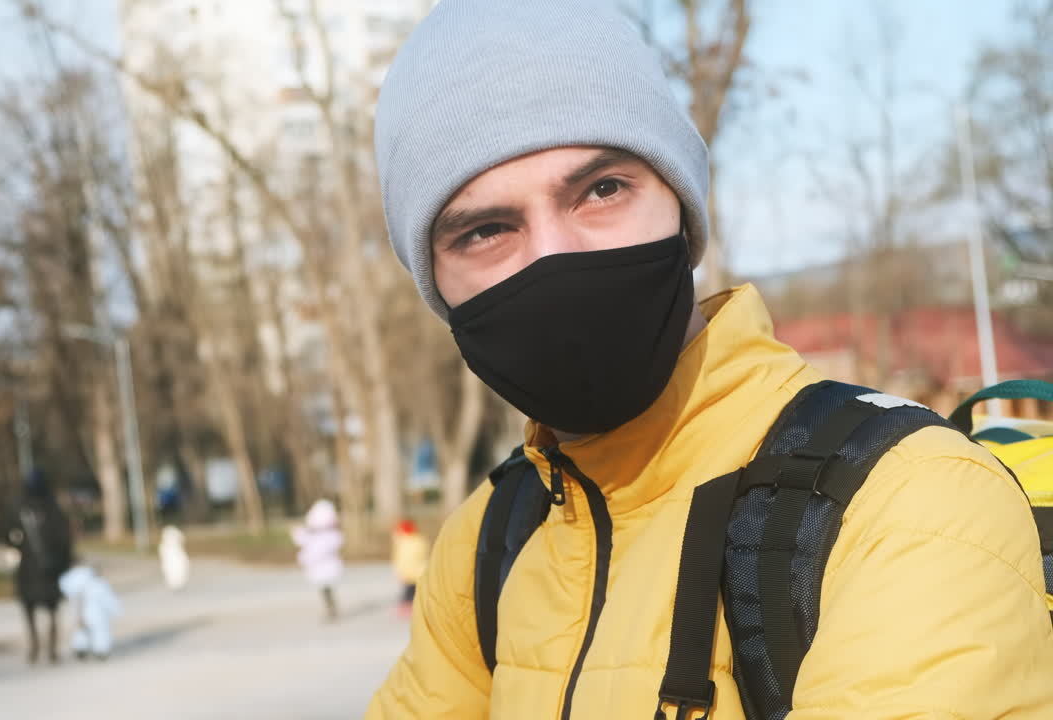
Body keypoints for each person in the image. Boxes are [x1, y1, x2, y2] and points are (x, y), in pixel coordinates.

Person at [365, 1, 1053, 718]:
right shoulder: (487, 542)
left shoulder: (905, 500)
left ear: (683, 206)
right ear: (437, 285)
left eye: (602, 190)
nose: (555, 258)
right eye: (484, 231)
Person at [5, 468, 73, 665]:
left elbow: (62, 538)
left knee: (39, 607)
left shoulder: (25, 507)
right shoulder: (49, 507)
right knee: (44, 607)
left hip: (37, 568)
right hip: (41, 568)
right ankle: (43, 646)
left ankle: (42, 646)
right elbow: (64, 539)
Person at [291, 499, 343, 623]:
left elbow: (322, 549)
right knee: (324, 588)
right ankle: (330, 608)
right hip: (320, 567)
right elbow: (303, 541)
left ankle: (331, 609)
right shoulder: (315, 533)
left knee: (326, 588)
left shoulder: (330, 535)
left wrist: (307, 557)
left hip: (326, 566)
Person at [59, 561, 123, 661]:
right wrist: (116, 610)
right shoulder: (100, 584)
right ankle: (101, 650)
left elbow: (69, 591)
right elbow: (108, 599)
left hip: (83, 612)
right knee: (100, 631)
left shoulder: (77, 581)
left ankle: (81, 648)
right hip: (98, 614)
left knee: (82, 631)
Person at [390, 519, 427, 618]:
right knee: (412, 591)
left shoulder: (405, 542)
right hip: (417, 572)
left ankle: (408, 608)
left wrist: (401, 571)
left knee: (409, 592)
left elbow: (405, 560)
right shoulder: (418, 540)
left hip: (411, 572)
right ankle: (411, 607)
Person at [158, 524, 190, 591]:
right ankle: (175, 583)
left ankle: (177, 582)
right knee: (174, 569)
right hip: (172, 560)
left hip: (174, 559)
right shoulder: (165, 546)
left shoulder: (165, 546)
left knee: (177, 569)